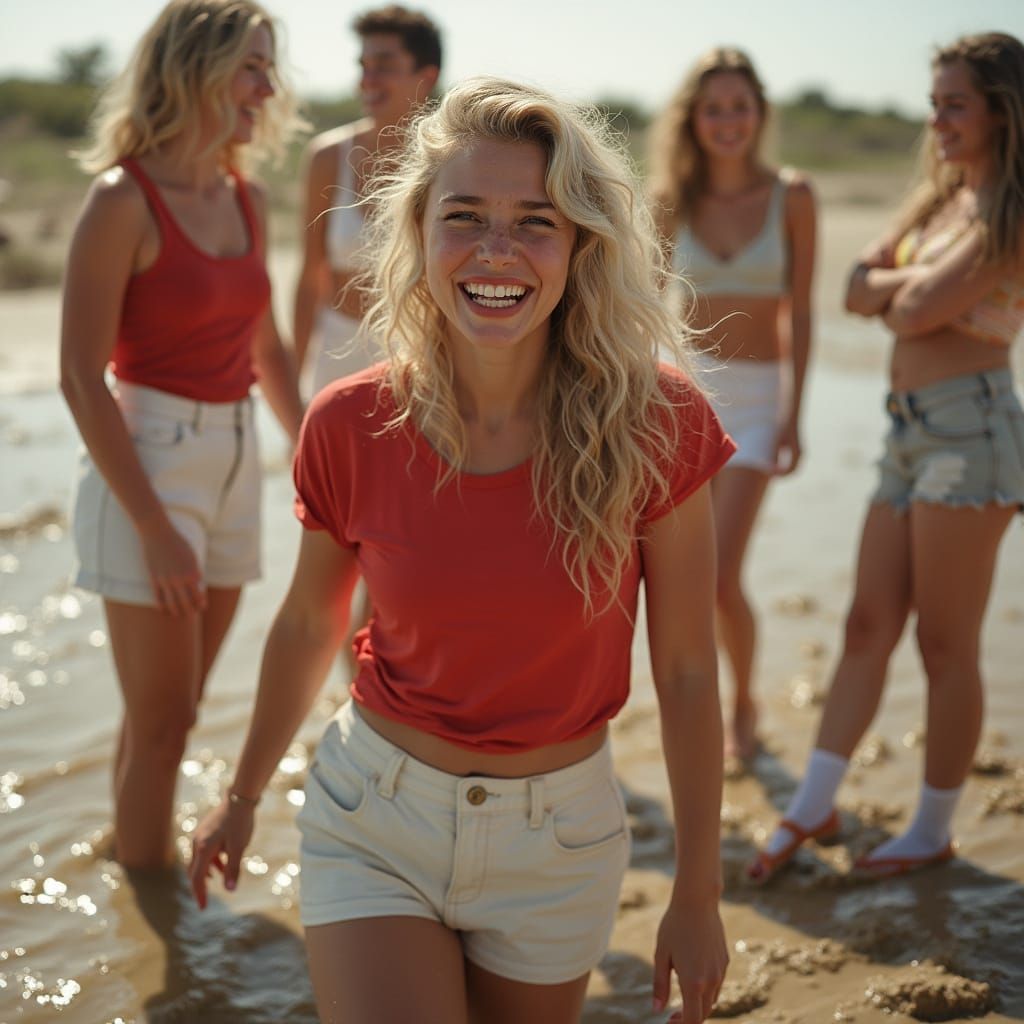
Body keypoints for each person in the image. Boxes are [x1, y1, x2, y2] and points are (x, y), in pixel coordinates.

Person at [190, 78, 733, 1023]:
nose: (496, 251)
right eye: (465, 216)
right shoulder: (350, 420)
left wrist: (697, 889)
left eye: (535, 221)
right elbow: (310, 620)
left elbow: (685, 670)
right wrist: (240, 798)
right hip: (375, 820)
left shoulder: (659, 419)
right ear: (418, 235)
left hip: (558, 840)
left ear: (581, 245)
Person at [748, 31, 1024, 883]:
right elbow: (854, 289)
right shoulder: (942, 200)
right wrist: (899, 292)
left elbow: (904, 311)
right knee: (866, 621)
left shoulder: (1012, 209)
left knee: (946, 645)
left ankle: (934, 825)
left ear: (1000, 110)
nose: (936, 119)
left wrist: (894, 293)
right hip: (905, 429)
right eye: (934, 102)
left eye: (954, 104)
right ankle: (812, 803)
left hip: (970, 433)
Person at [60, 0, 305, 869]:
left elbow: (265, 343)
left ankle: (133, 875)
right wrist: (156, 528)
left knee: (171, 715)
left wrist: (311, 448)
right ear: (193, 69)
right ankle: (159, 941)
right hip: (148, 465)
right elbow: (80, 379)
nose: (267, 87)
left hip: (238, 459)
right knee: (164, 727)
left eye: (268, 67)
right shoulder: (122, 199)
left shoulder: (248, 193)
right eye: (251, 67)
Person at [649, 48, 817, 761]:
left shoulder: (794, 195)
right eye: (714, 108)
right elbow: (646, 308)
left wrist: (792, 415)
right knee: (675, 577)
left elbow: (800, 311)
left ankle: (743, 700)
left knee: (720, 576)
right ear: (694, 119)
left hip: (755, 400)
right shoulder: (669, 201)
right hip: (687, 393)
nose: (728, 122)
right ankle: (691, 710)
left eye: (740, 107)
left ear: (759, 114)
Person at [292, 3, 442, 397]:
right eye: (363, 65)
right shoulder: (328, 157)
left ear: (426, 77)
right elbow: (309, 276)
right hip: (336, 355)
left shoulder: (450, 164)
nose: (367, 79)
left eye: (384, 64)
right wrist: (293, 376)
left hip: (424, 361)